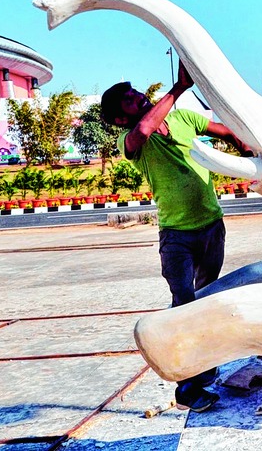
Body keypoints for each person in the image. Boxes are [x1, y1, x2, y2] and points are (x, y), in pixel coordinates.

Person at [100, 60, 251, 412]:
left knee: (206, 299)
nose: (138, 95)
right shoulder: (131, 140)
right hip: (177, 238)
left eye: (135, 91)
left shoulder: (184, 119)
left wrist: (247, 153)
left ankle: (204, 368)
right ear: (120, 119)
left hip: (212, 227)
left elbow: (226, 132)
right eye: (128, 99)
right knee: (183, 306)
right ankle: (186, 388)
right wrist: (179, 87)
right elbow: (144, 130)